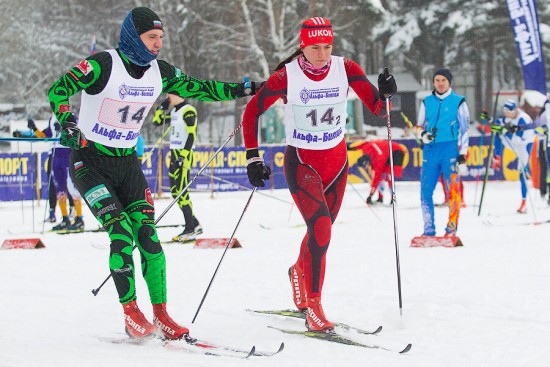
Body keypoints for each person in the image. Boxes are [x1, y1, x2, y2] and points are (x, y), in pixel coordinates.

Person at [47, 7, 261, 340]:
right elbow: (58, 90)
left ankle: (161, 313)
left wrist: (244, 89)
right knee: (120, 233)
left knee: (148, 237)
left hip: (127, 163)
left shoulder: (159, 72)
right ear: (134, 36)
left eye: (161, 38)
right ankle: (131, 312)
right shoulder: (103, 64)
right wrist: (67, 122)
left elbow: (200, 87)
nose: (158, 44)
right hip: (89, 162)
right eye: (151, 37)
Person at [241, 17, 396, 333]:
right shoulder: (287, 76)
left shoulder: (346, 68)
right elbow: (251, 111)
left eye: (328, 46)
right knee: (322, 228)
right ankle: (314, 305)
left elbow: (379, 109)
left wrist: (387, 93)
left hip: (337, 164)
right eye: (315, 47)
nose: (323, 54)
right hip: (303, 164)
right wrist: (252, 158)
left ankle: (299, 271)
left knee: (318, 233)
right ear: (302, 46)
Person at [416, 68, 469, 237]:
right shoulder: (427, 101)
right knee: (425, 190)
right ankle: (428, 229)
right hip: (431, 151)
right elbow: (418, 126)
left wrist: (462, 154)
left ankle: (451, 228)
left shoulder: (459, 101)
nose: (440, 83)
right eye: (437, 80)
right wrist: (423, 135)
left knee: (453, 190)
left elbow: (465, 130)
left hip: (451, 149)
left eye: (443, 80)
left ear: (449, 82)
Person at [152, 94, 202, 242]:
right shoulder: (174, 112)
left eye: (169, 94)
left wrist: (183, 156)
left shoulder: (188, 110)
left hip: (183, 155)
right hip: (174, 153)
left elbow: (192, 135)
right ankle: (195, 224)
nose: (167, 97)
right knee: (175, 192)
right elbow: (157, 122)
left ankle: (190, 228)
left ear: (178, 95)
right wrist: (161, 109)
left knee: (182, 192)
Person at [491, 100, 535, 213]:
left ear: (514, 110)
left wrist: (506, 131)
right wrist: (490, 121)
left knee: (522, 172)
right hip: (513, 141)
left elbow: (518, 138)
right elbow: (498, 124)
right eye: (504, 111)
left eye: (508, 112)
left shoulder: (523, 119)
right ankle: (497, 158)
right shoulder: (508, 116)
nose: (506, 114)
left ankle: (524, 202)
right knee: (498, 133)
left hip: (524, 144)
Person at [351, 140, 406, 204]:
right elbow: (365, 144)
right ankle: (380, 198)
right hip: (386, 152)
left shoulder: (377, 160)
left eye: (365, 166)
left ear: (367, 162)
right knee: (381, 176)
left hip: (396, 152)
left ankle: (393, 199)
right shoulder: (365, 150)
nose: (366, 168)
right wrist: (352, 148)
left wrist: (370, 195)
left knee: (389, 176)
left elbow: (376, 178)